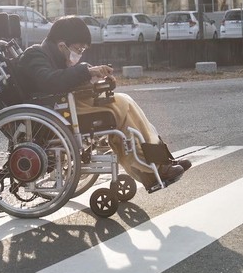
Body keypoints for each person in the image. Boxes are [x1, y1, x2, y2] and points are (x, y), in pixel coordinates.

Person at [14, 15, 190, 192]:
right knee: (121, 107)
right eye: (78, 49)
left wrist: (95, 77)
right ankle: (150, 168)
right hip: (54, 111)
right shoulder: (35, 54)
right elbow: (50, 81)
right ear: (61, 44)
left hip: (65, 107)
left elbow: (64, 80)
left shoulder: (56, 57)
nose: (80, 53)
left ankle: (159, 162)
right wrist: (85, 71)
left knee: (126, 103)